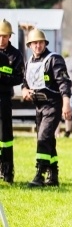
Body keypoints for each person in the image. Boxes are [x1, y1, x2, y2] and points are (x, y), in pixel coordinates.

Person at [21, 28, 72, 187]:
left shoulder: (54, 59)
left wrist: (66, 103)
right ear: (29, 45)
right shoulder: (29, 62)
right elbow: (25, 82)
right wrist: (24, 90)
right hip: (38, 106)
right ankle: (53, 174)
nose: (37, 45)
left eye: (40, 42)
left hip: (52, 105)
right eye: (34, 43)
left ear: (45, 43)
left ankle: (39, 174)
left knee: (43, 137)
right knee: (47, 139)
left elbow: (64, 82)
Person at [0, 19, 24, 183]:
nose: (1, 39)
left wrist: (2, 78)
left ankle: (7, 172)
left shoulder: (15, 55)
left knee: (5, 138)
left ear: (9, 37)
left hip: (4, 100)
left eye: (4, 36)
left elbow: (18, 78)